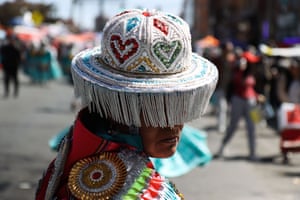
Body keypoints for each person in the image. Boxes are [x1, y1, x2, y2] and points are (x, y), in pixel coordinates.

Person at [35, 9, 218, 200]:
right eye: (155, 108)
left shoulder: (78, 156)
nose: (173, 124)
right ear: (118, 109)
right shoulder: (139, 192)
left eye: (175, 105)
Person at [214, 51, 264, 161]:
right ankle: (222, 147)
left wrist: (257, 95)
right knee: (233, 126)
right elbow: (236, 83)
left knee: (252, 128)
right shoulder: (238, 71)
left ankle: (253, 152)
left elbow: (251, 88)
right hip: (238, 100)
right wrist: (239, 67)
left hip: (251, 101)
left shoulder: (252, 73)